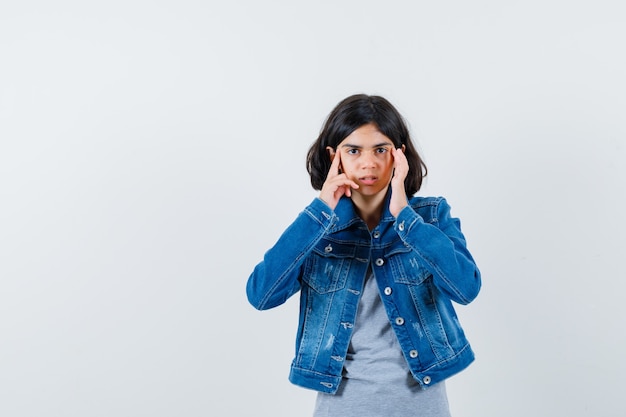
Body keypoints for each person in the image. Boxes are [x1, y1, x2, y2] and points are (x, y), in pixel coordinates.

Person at [246, 94, 481, 416]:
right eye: (353, 150)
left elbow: (465, 289)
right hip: (341, 404)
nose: (368, 163)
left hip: (421, 402)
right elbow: (262, 294)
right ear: (334, 157)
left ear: (400, 156)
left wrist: (404, 217)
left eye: (381, 150)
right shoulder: (317, 229)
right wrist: (319, 211)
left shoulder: (430, 216)